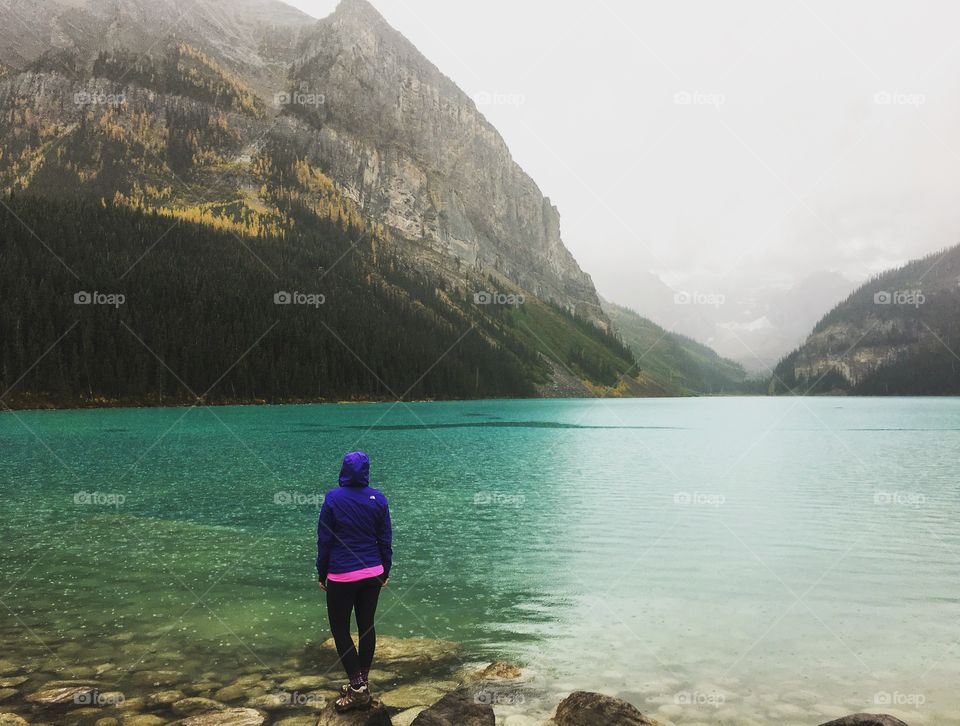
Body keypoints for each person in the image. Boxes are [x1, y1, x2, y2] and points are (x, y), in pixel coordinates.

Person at [317, 451, 393, 713]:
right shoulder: (379, 499)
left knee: (340, 629)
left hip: (342, 574)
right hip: (373, 572)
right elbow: (385, 539)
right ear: (366, 471)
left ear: (344, 471)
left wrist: (321, 572)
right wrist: (385, 570)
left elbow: (325, 540)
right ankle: (363, 683)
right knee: (366, 627)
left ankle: (357, 688)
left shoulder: (332, 499)